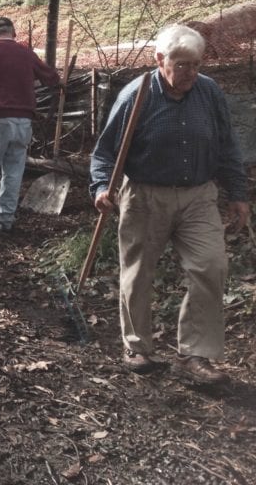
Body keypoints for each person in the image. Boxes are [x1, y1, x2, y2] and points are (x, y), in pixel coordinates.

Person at [90, 23, 249, 384]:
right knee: (138, 271)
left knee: (211, 265)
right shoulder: (137, 95)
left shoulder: (208, 92)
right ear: (160, 60)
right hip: (146, 195)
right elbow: (104, 152)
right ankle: (137, 345)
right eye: (182, 65)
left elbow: (227, 146)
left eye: (195, 65)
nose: (190, 73)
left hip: (198, 195)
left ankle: (196, 355)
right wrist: (101, 187)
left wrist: (238, 194)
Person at [0, 16, 61, 234]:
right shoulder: (25, 53)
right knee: (14, 171)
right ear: (13, 33)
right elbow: (51, 78)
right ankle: (5, 219)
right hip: (23, 121)